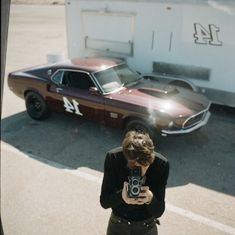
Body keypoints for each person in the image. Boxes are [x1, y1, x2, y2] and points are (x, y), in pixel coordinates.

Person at [100, 131, 170, 235]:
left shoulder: (161, 164)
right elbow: (104, 202)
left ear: (151, 159)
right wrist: (121, 196)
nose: (140, 172)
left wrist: (150, 199)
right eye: (135, 167)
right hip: (118, 225)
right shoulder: (114, 158)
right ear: (127, 158)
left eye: (145, 166)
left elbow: (159, 211)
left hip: (146, 227)